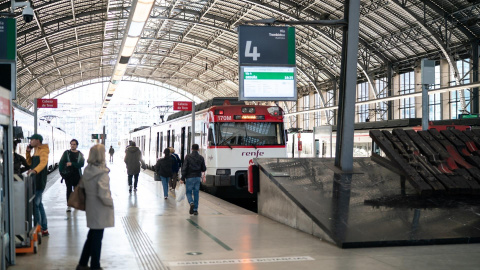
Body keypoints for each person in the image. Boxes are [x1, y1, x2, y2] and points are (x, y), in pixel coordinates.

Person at [76, 144, 114, 270]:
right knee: (97, 239)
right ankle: (95, 266)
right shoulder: (102, 173)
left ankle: (82, 263)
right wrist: (110, 202)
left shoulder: (88, 169)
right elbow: (103, 194)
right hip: (101, 208)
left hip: (91, 207)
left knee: (91, 235)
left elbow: (82, 186)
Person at [25, 134, 50, 236]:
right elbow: (30, 162)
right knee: (39, 204)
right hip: (35, 180)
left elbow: (43, 163)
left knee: (36, 204)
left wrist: (35, 171)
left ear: (38, 141)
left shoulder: (43, 150)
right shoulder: (36, 150)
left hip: (39, 181)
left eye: (32, 140)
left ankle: (38, 227)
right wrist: (27, 152)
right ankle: (44, 228)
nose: (30, 141)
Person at [59, 139, 85, 212]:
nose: (72, 145)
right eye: (71, 144)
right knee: (69, 189)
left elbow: (81, 164)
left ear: (77, 145)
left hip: (77, 175)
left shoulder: (80, 154)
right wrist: (61, 172)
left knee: (76, 190)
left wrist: (72, 164)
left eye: (74, 144)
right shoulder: (66, 153)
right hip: (68, 175)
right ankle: (69, 205)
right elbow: (61, 163)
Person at [181, 144, 206, 215]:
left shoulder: (188, 157)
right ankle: (195, 210)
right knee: (196, 193)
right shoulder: (201, 157)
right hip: (197, 177)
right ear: (198, 149)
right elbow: (204, 169)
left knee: (188, 192)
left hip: (189, 177)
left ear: (191, 149)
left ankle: (191, 202)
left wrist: (182, 178)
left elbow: (185, 168)